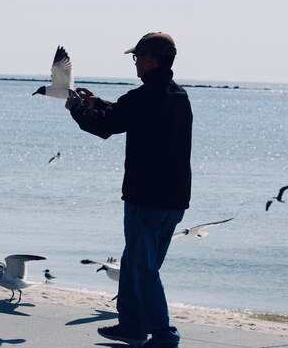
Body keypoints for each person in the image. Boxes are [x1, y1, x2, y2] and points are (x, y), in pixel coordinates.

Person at [65, 32, 192, 348]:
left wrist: (76, 108)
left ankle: (163, 334)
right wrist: (97, 103)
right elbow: (125, 115)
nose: (135, 63)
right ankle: (132, 326)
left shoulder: (144, 98)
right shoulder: (179, 96)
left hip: (145, 197)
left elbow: (105, 126)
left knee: (142, 268)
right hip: (175, 200)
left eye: (137, 57)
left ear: (150, 60)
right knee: (137, 264)